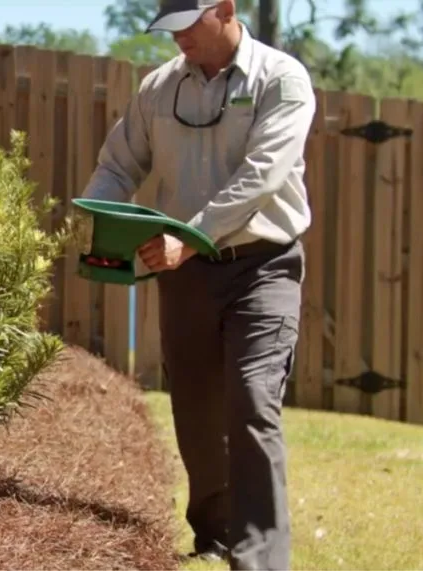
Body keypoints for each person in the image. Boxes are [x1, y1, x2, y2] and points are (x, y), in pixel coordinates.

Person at [81, 1, 315, 570]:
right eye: (170, 29)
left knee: (253, 399)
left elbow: (261, 176)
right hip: (183, 270)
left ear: (226, 10)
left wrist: (191, 235)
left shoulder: (281, 79)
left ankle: (260, 557)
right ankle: (214, 533)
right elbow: (118, 166)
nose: (178, 38)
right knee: (195, 403)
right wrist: (105, 228)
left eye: (189, 24)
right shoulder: (160, 87)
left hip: (262, 265)